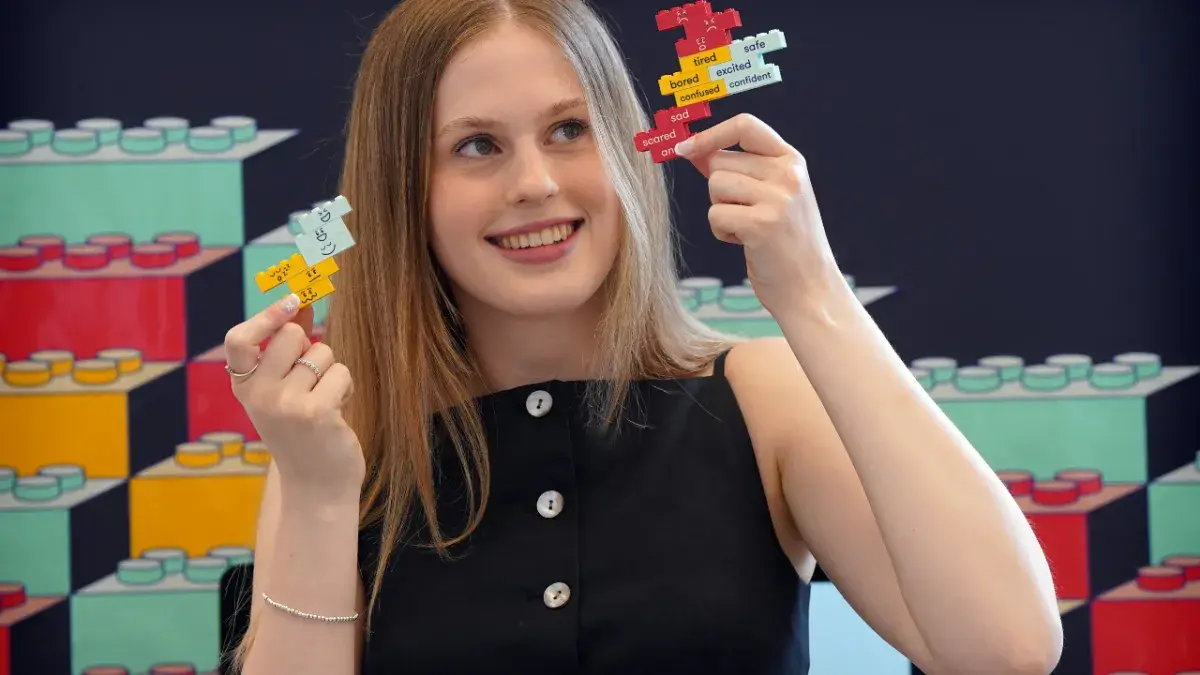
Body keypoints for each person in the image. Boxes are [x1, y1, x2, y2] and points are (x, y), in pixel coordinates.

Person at [221, 0, 1063, 673]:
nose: (537, 183)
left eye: (569, 130)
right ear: (403, 189)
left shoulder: (763, 395)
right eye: (477, 146)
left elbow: (1007, 648)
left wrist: (813, 295)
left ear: (632, 148)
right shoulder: (339, 439)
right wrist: (320, 491)